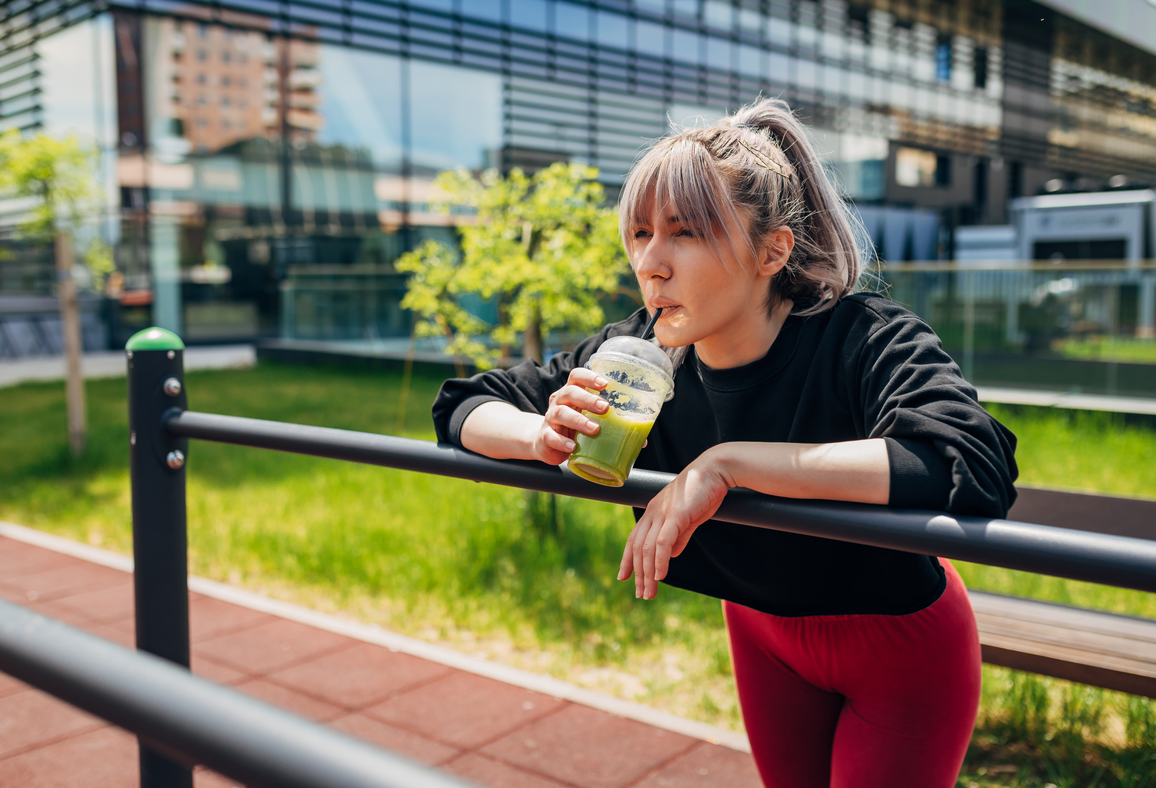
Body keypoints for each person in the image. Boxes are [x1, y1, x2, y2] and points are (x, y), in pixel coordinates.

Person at [431, 97, 1018, 788]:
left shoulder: (860, 336)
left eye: (684, 233)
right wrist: (542, 434)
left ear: (773, 250)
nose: (650, 263)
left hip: (898, 644)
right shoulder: (639, 351)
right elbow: (463, 404)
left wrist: (728, 466)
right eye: (640, 233)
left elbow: (969, 459)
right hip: (761, 635)